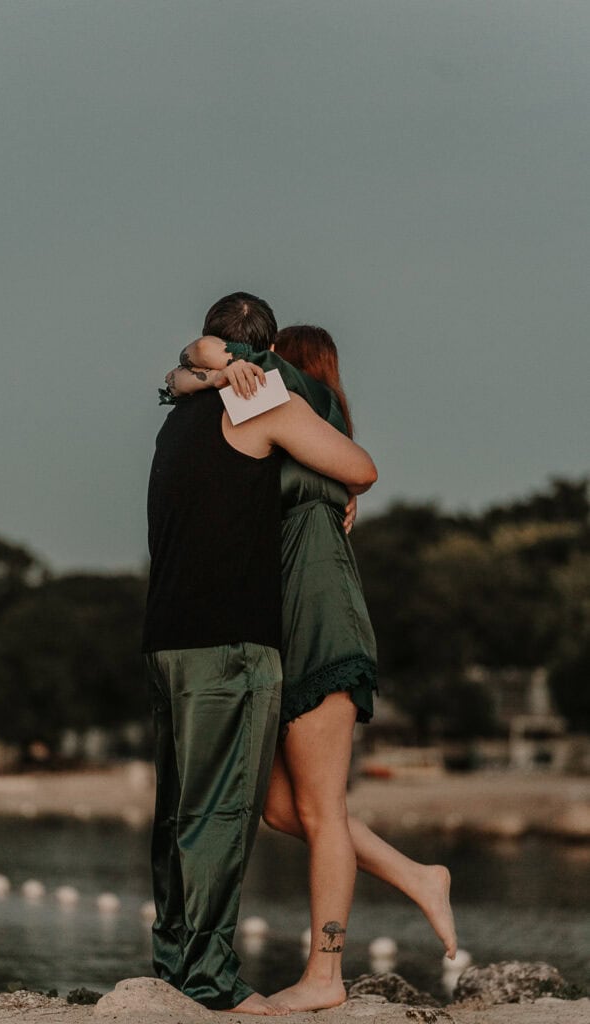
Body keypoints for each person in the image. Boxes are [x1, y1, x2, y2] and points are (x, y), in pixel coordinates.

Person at [166, 324, 456, 1012]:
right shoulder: (303, 439)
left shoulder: (284, 397)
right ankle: (418, 875)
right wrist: (203, 377)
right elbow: (179, 380)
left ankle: (325, 974)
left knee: (321, 808)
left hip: (321, 623)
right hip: (273, 630)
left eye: (265, 355)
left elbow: (200, 349)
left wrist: (214, 360)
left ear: (286, 363)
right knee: (277, 807)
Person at [143, 293, 378, 1014]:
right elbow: (360, 467)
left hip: (167, 635)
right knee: (222, 814)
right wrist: (337, 485)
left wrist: (201, 368)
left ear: (215, 342)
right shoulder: (265, 402)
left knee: (180, 812)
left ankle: (174, 965)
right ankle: (210, 983)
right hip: (233, 638)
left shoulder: (178, 416)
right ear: (266, 351)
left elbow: (178, 369)